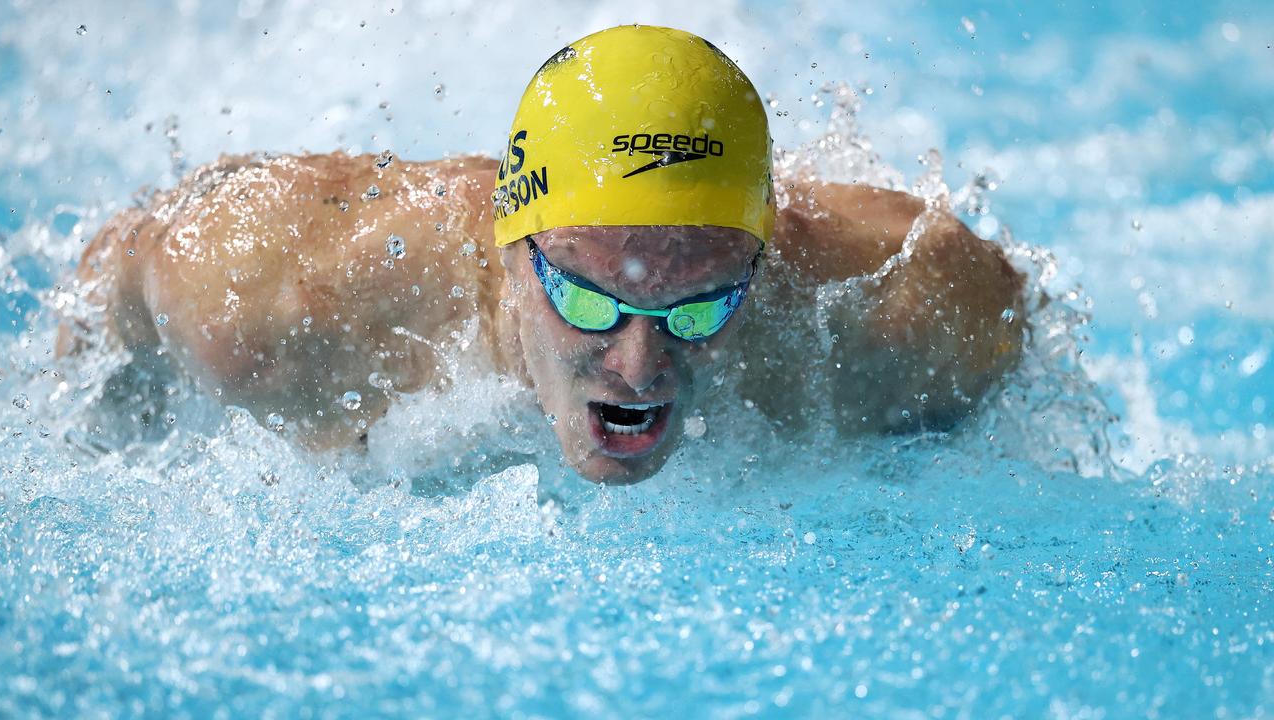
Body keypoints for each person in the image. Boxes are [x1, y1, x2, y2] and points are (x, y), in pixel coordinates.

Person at [56, 25, 1024, 484]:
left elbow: (1013, 328)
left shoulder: (898, 310)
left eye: (696, 309)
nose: (638, 368)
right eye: (592, 301)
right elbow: (118, 273)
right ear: (511, 248)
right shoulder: (281, 299)